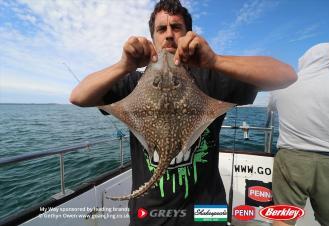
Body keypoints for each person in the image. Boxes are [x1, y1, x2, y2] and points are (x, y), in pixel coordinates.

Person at [70, 0, 296, 225]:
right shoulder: (133, 83)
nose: (169, 35)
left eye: (176, 27)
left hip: (208, 212)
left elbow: (287, 75)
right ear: (153, 39)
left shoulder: (211, 79)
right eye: (161, 29)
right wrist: (124, 65)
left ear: (188, 35)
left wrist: (216, 61)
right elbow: (78, 96)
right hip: (148, 216)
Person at [269, 42, 329, 226]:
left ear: (305, 59)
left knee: (283, 219)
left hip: (291, 159)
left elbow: (271, 108)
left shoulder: (283, 85)